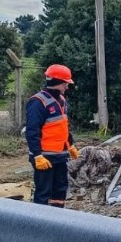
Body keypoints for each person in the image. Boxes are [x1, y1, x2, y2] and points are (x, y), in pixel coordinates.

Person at [25, 64, 79, 207]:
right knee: (43, 192)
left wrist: (70, 144)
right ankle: (40, 224)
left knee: (60, 190)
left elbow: (63, 126)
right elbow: (32, 131)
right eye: (65, 84)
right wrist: (37, 155)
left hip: (60, 155)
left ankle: (57, 219)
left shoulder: (61, 100)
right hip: (44, 157)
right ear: (58, 83)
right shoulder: (38, 102)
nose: (67, 87)